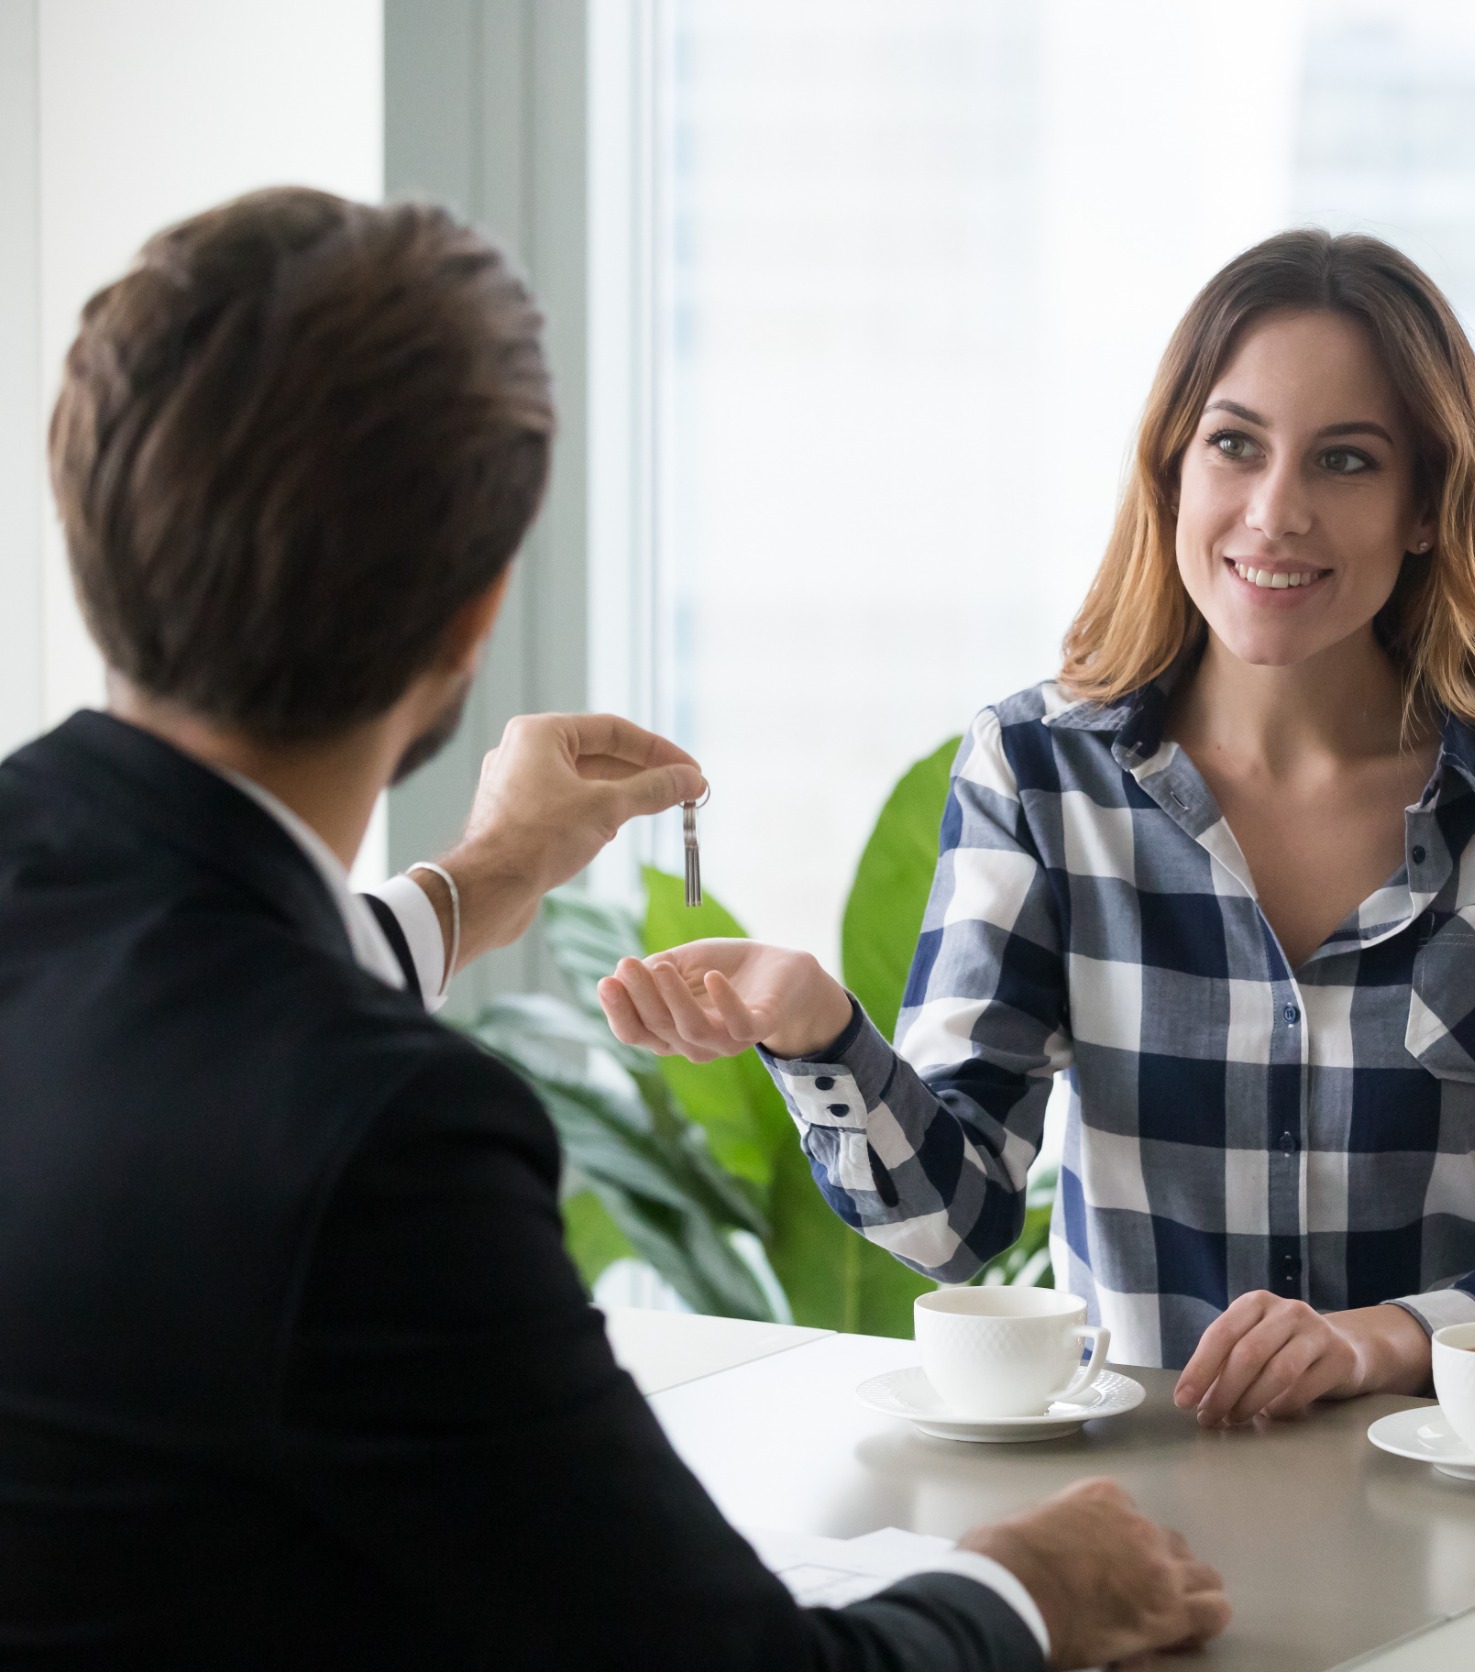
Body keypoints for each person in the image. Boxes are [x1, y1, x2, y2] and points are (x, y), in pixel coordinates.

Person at [0, 186, 1225, 1670]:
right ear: (474, 622)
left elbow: (158, 995)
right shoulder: (384, 1138)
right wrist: (1033, 1590)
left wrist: (475, 883)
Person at [598, 230, 1475, 1425]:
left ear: (1427, 506)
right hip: (1141, 1488)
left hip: (1444, 1468)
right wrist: (817, 1033)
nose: (1277, 513)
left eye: (1346, 462)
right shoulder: (1036, 770)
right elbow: (954, 1228)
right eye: (1235, 445)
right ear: (1172, 468)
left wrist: (1378, 1342)